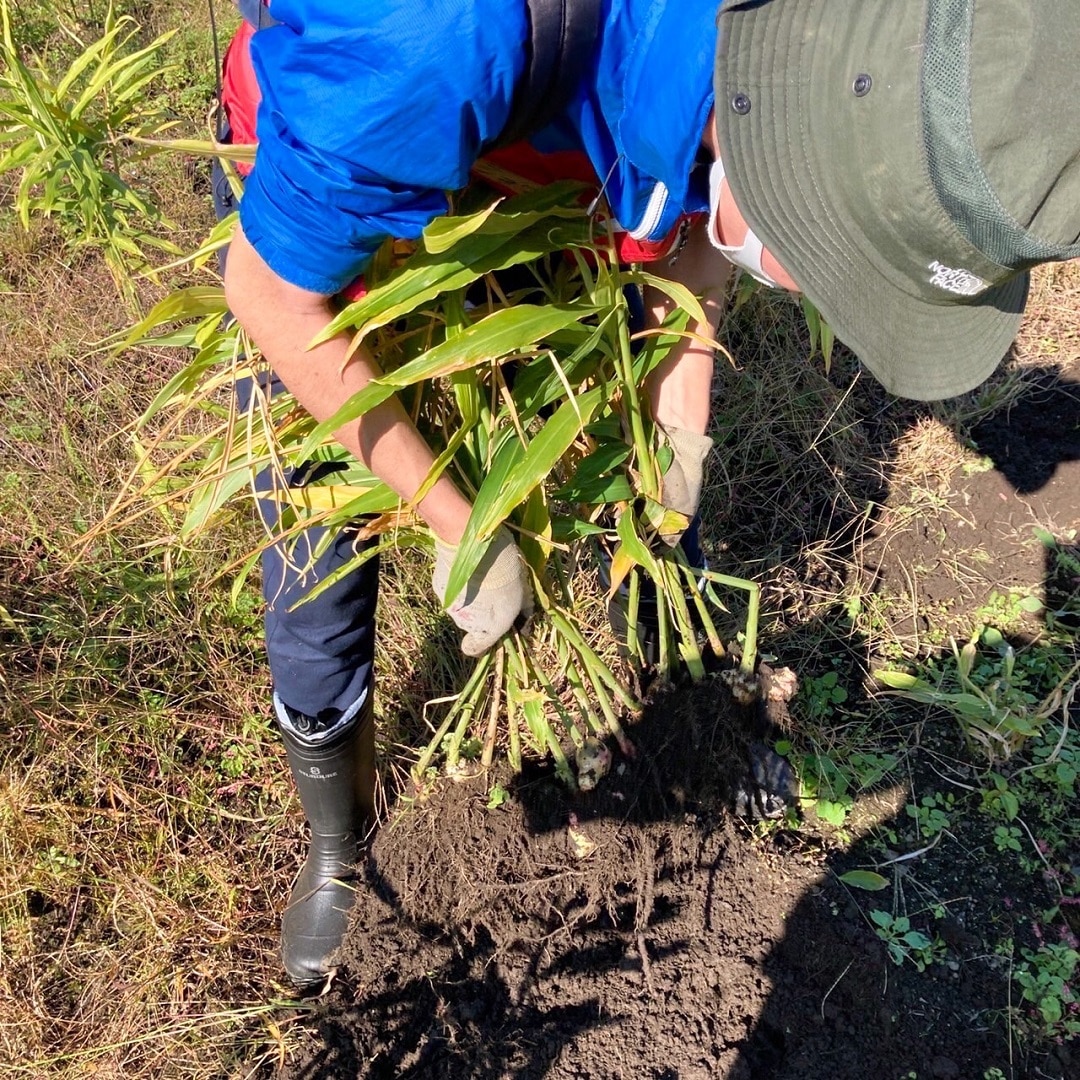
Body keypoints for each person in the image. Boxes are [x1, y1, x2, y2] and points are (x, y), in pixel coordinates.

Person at [216, 0, 1080, 987]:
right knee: (323, 535)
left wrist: (676, 437)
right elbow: (271, 296)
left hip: (556, 172)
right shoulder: (428, 43)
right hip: (332, 209)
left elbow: (705, 207)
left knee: (659, 511)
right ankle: (341, 840)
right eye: (832, 268)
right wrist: (461, 520)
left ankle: (689, 727)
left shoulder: (777, 62)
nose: (805, 291)